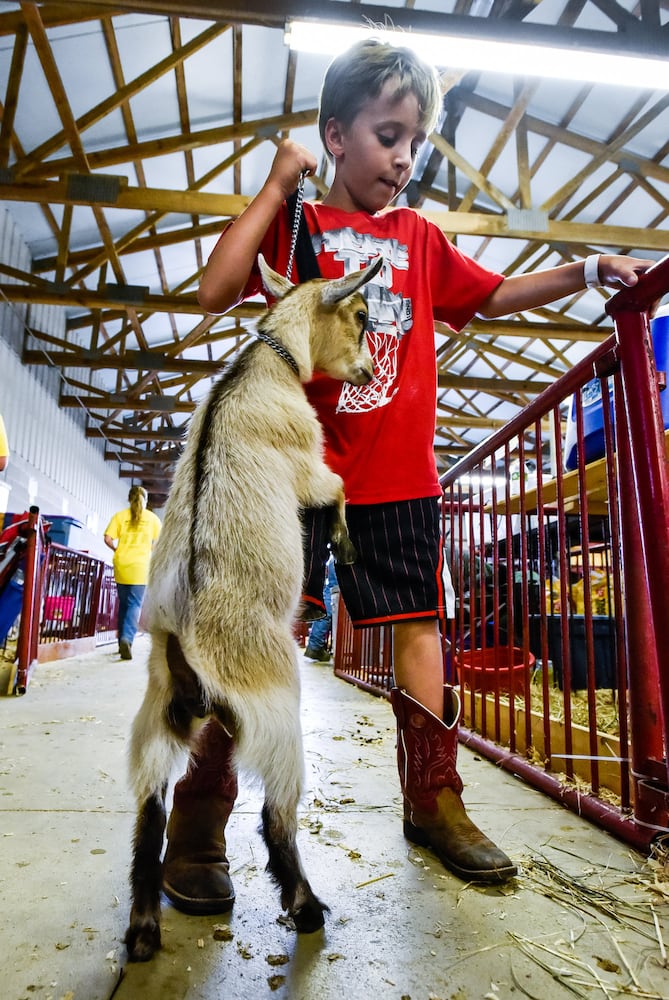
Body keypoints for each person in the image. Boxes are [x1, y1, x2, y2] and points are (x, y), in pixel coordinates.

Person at [158, 36, 654, 915]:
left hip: (397, 479)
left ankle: (434, 801)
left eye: (414, 140)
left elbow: (490, 296)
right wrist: (278, 182)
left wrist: (581, 269)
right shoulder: (300, 223)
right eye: (387, 134)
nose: (403, 156)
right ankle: (197, 823)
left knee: (420, 631)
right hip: (290, 478)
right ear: (334, 136)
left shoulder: (419, 240)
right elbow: (212, 290)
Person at [104, 485, 161, 660]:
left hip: (122, 564)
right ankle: (127, 638)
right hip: (141, 566)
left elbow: (107, 538)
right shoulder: (152, 519)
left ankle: (121, 639)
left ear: (129, 499)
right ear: (146, 500)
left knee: (123, 603)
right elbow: (161, 541)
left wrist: (117, 550)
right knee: (135, 604)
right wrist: (150, 550)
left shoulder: (120, 517)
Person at [305, 554, 336, 661]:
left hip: (336, 558)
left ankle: (315, 644)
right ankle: (315, 645)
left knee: (331, 595)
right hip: (350, 554)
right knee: (335, 597)